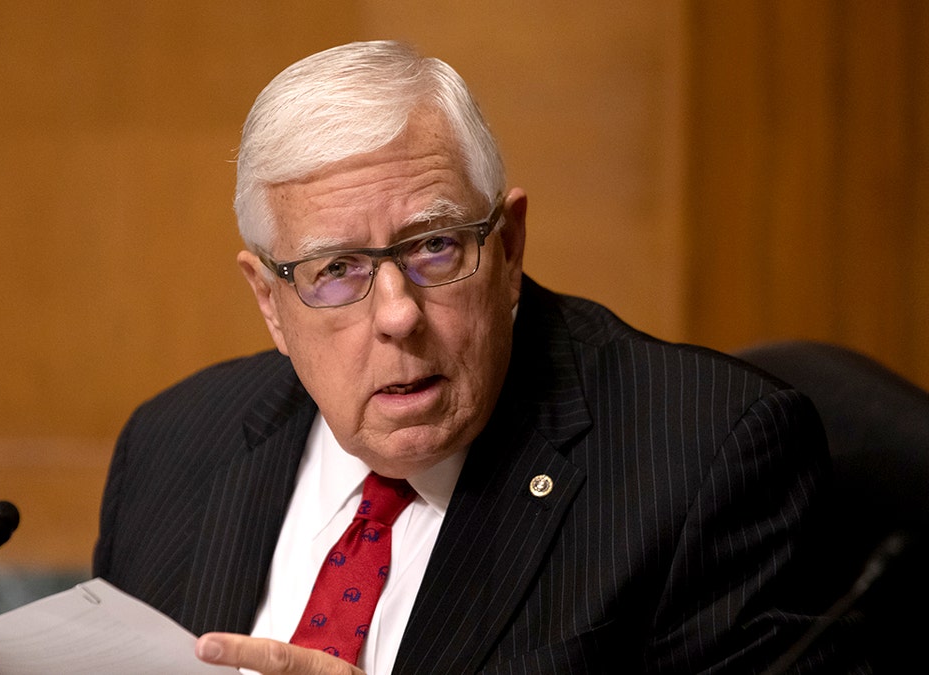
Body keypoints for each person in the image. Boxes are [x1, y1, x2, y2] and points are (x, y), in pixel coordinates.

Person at [93, 41, 860, 674]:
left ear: (510, 246)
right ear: (270, 301)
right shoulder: (172, 446)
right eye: (336, 270)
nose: (397, 314)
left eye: (434, 247)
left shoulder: (706, 460)